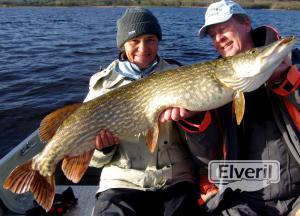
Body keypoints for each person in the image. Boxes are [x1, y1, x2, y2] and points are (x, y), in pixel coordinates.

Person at [178, 0, 300, 215]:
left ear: (246, 23)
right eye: (212, 34)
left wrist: (287, 81)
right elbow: (208, 158)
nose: (218, 39)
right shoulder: (215, 86)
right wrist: (196, 120)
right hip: (244, 198)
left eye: (223, 28)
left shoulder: (292, 62)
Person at [84, 7, 200, 216]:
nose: (143, 48)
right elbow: (92, 160)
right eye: (134, 41)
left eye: (150, 39)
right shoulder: (101, 85)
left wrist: (194, 119)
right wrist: (103, 150)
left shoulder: (179, 74)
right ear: (123, 44)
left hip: (175, 177)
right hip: (121, 180)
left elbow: (199, 140)